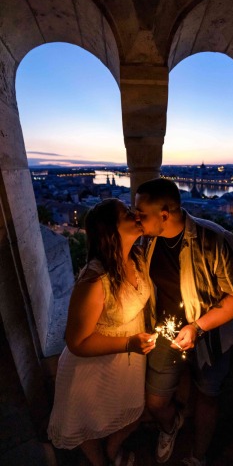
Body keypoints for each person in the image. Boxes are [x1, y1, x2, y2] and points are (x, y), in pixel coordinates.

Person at [134, 178, 233, 466]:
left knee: (208, 397)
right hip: (164, 334)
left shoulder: (214, 240)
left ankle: (197, 456)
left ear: (164, 214)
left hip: (210, 338)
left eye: (141, 213)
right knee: (156, 402)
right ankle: (170, 425)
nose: (136, 219)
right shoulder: (147, 240)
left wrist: (198, 327)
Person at [47, 199, 157, 466]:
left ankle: (112, 449)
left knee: (130, 413)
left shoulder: (139, 258)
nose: (135, 214)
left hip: (125, 364)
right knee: (86, 420)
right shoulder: (95, 280)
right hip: (91, 367)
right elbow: (76, 341)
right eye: (127, 213)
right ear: (111, 230)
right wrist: (130, 342)